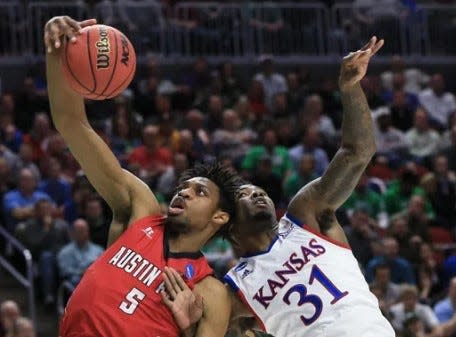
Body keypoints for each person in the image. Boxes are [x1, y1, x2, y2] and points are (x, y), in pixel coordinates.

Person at [162, 37, 395, 337]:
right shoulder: (233, 291)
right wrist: (190, 324)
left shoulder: (306, 216)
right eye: (244, 194)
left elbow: (358, 152)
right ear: (229, 224)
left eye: (258, 190)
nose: (257, 193)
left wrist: (350, 88)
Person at [45, 16, 243, 337]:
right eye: (185, 186)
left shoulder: (210, 292)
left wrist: (188, 327)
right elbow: (71, 122)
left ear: (220, 217)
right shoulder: (140, 210)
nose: (185, 192)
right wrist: (56, 53)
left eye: (200, 192)